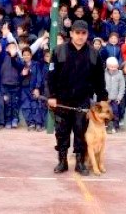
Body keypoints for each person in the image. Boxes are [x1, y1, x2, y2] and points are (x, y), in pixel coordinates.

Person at [46, 20, 109, 176]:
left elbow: (99, 79)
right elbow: (51, 76)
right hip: (62, 100)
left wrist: (102, 97)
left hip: (82, 100)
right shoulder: (59, 51)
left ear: (87, 35)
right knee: (62, 132)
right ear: (71, 33)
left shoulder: (94, 54)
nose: (80, 36)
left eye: (83, 33)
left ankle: (80, 163)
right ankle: (62, 161)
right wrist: (52, 96)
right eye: (77, 33)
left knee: (81, 132)